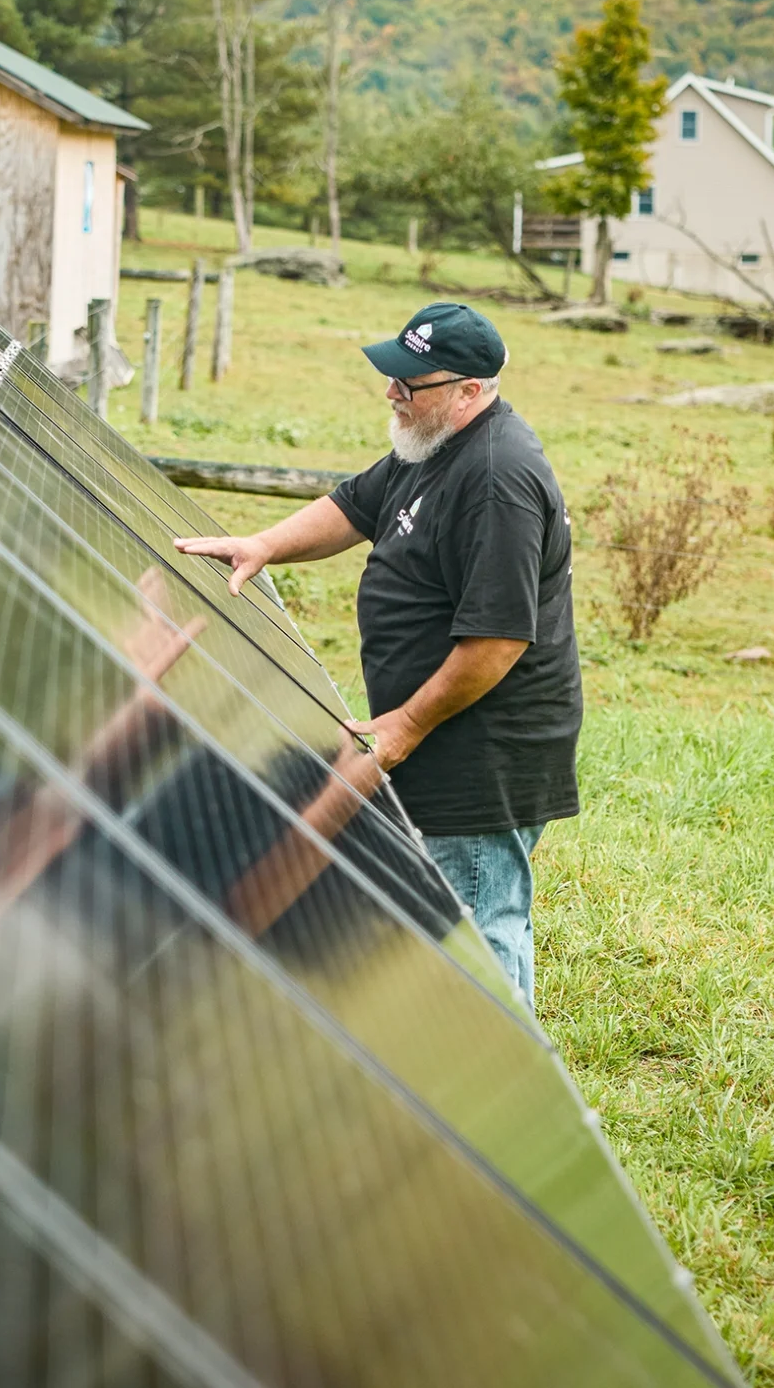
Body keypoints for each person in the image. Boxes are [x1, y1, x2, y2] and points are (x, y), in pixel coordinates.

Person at [174, 302, 582, 1008]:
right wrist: (263, 545)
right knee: (440, 920)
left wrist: (408, 723)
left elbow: (497, 641)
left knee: (476, 925)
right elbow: (353, 507)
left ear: (469, 391)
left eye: (410, 383)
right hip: (434, 733)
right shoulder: (431, 443)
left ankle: (496, 1062)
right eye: (393, 375)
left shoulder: (496, 478)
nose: (392, 392)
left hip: (482, 751)